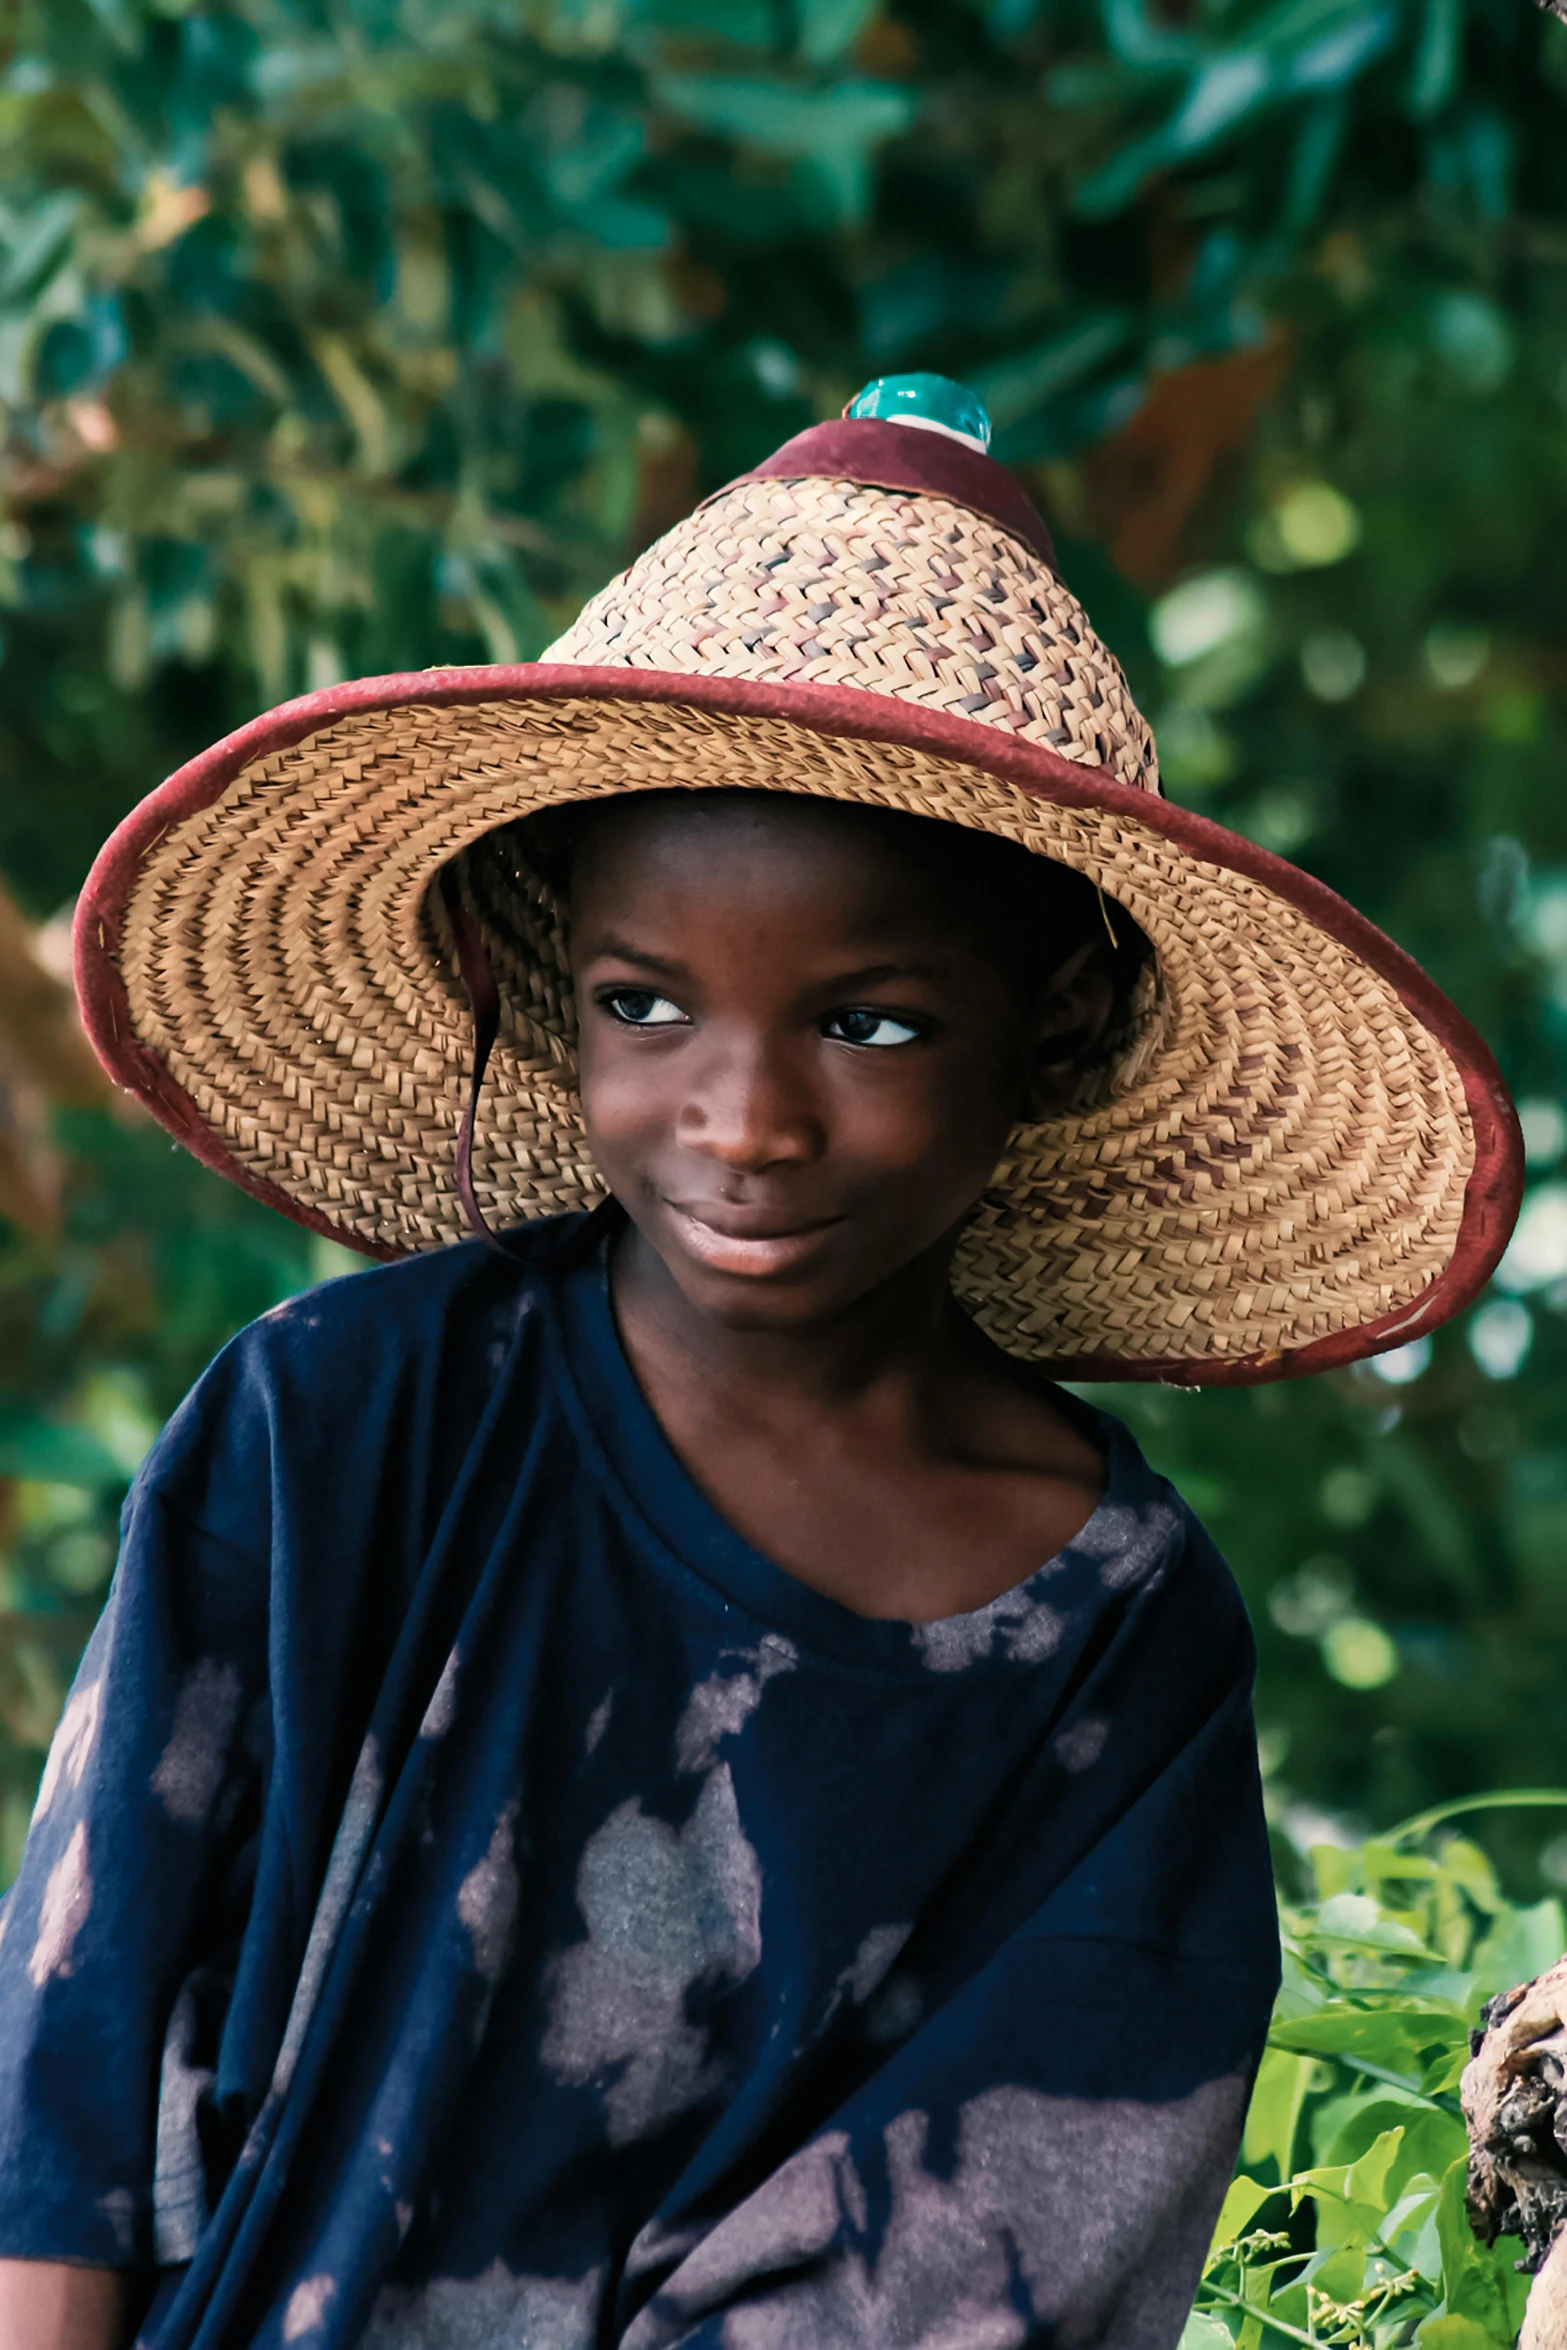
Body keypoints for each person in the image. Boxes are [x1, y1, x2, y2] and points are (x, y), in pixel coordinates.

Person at [0, 375, 1520, 2349]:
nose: (742, 1120)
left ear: (1049, 1018)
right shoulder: (333, 1422)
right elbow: (72, 2076)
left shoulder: (1117, 1648)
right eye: (647, 1002)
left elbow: (1006, 2241)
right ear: (550, 979)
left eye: (868, 1025)